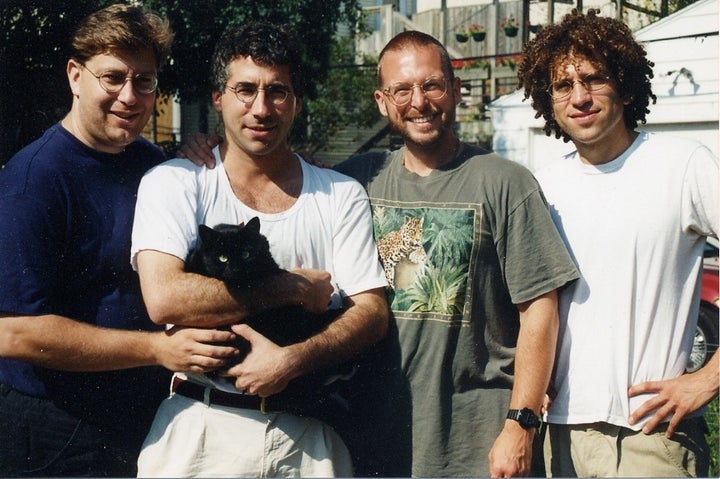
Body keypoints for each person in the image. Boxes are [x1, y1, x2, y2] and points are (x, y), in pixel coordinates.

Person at [182, 30, 580, 477]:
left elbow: (540, 311)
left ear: (455, 90)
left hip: (476, 442)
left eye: (432, 85)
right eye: (402, 90)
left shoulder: (506, 182)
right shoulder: (355, 182)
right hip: (369, 438)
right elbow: (277, 166)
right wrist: (209, 146)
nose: (419, 102)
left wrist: (520, 424)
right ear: (381, 101)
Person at [130, 21, 389, 477]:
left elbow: (371, 314)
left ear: (297, 101)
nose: (261, 108)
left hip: (309, 437)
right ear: (218, 98)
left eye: (278, 91)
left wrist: (292, 360)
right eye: (244, 90)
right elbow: (166, 298)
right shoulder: (175, 182)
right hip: (201, 430)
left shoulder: (339, 192)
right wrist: (290, 287)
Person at [0, 4, 236, 477]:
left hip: (143, 408)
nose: (129, 96)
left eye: (144, 81)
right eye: (112, 77)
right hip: (56, 424)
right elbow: (14, 332)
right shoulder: (33, 181)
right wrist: (155, 350)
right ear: (75, 76)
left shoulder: (152, 164)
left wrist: (209, 156)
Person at [517, 9, 719, 477]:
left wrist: (707, 379)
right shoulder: (542, 187)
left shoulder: (683, 165)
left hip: (652, 437)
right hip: (558, 436)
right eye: (563, 86)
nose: (580, 98)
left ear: (626, 86)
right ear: (549, 102)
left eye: (594, 79)